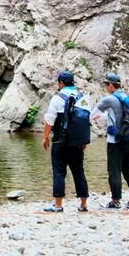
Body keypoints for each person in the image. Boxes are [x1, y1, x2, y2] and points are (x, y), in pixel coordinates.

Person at [42, 70, 90, 213]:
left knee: (58, 172)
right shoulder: (83, 98)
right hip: (78, 143)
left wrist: (45, 137)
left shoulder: (57, 98)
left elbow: (50, 120)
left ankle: (58, 205)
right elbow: (86, 119)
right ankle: (83, 204)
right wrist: (84, 141)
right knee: (79, 171)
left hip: (60, 141)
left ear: (61, 83)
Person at [91, 73, 129, 209]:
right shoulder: (127, 98)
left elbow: (92, 115)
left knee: (114, 171)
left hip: (115, 141)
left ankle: (115, 201)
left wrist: (104, 119)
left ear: (112, 85)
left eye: (106, 84)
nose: (106, 87)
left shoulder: (109, 100)